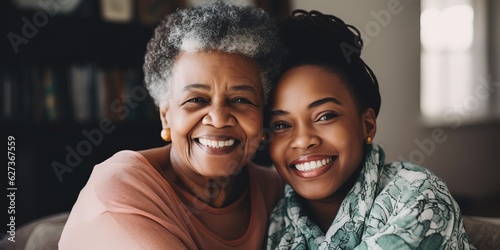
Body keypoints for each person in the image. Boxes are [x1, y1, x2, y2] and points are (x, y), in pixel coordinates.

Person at [59, 2, 285, 249]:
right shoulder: (121, 186)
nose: (219, 119)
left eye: (241, 100)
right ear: (165, 116)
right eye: (196, 100)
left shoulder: (275, 190)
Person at [266, 10, 475, 249]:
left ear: (367, 124)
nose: (303, 141)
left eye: (325, 116)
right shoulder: (277, 222)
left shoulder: (420, 196)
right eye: (281, 125)